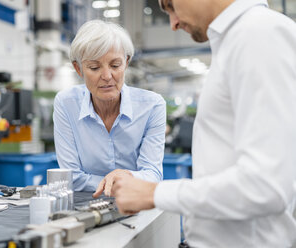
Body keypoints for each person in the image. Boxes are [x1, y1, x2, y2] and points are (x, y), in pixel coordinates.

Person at [112, 0, 296, 247]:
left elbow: (266, 185)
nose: (173, 23)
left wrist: (154, 193)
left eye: (170, 6)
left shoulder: (257, 35)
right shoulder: (238, 39)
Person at [53, 20, 166, 194]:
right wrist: (121, 183)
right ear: (78, 68)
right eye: (94, 67)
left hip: (136, 202)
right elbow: (71, 177)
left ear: (126, 63)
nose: (107, 76)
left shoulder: (152, 106)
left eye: (115, 65)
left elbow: (153, 173)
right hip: (86, 205)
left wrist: (125, 175)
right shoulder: (66, 104)